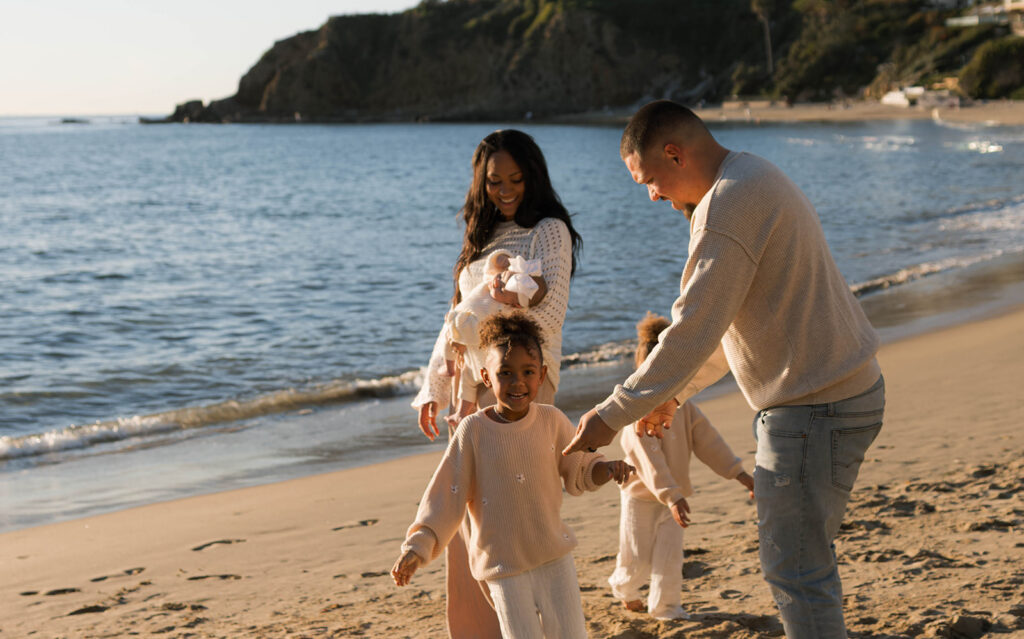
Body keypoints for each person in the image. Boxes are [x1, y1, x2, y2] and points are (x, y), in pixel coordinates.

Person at [563, 100, 885, 638]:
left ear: (674, 153)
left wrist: (610, 416)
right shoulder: (751, 173)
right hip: (842, 392)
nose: (652, 195)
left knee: (797, 571)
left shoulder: (727, 207)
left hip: (813, 409)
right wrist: (672, 394)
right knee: (809, 562)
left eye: (650, 180)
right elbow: (723, 326)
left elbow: (692, 328)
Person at [411, 129, 582, 638]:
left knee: (515, 521)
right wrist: (434, 390)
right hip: (469, 391)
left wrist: (507, 296)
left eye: (515, 178)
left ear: (532, 177)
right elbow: (454, 322)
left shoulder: (548, 231)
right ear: (480, 183)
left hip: (520, 384)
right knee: (468, 525)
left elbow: (549, 314)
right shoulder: (478, 239)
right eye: (493, 181)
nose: (505, 190)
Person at [393, 313, 634, 639]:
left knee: (571, 634)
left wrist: (607, 469)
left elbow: (579, 469)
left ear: (542, 375)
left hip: (553, 555)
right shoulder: (473, 430)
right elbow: (445, 495)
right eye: (505, 373)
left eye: (527, 372)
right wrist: (417, 547)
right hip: (502, 565)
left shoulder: (551, 420)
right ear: (485, 377)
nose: (517, 382)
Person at [608, 313, 754, 621]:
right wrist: (671, 494)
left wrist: (739, 473)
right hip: (640, 498)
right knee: (637, 561)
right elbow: (649, 458)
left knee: (669, 559)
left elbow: (708, 443)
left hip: (677, 500)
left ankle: (666, 607)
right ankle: (624, 589)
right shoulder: (637, 412)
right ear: (641, 369)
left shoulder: (684, 408)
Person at [441, 249, 543, 410]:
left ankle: (460, 409)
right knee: (449, 342)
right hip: (459, 321)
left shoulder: (503, 311)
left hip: (471, 340)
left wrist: (460, 333)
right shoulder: (492, 284)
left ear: (514, 304)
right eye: (502, 277)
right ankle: (447, 366)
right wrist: (502, 259)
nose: (497, 283)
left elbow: (485, 332)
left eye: (502, 289)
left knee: (467, 381)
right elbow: (490, 268)